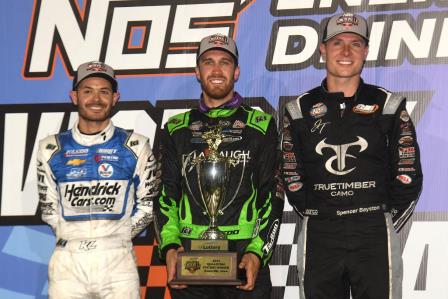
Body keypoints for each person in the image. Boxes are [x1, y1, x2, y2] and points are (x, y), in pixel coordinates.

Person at [281, 12, 423, 299]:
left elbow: (408, 174)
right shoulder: (298, 109)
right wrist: (319, 214)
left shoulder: (388, 105)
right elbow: (290, 174)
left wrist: (380, 221)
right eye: (337, 43)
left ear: (366, 51)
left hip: (373, 232)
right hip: (321, 232)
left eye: (355, 43)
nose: (346, 51)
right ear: (322, 49)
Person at [154, 33, 284, 299]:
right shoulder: (175, 128)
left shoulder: (260, 125)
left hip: (243, 255)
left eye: (224, 62)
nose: (216, 70)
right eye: (208, 62)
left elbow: (271, 194)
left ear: (235, 72)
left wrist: (256, 252)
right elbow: (166, 194)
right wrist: (170, 247)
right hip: (188, 258)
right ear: (197, 72)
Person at [37, 61, 160, 298]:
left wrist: (116, 236)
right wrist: (75, 236)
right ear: (74, 96)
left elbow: (147, 206)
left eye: (104, 91)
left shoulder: (135, 145)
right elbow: (49, 209)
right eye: (87, 91)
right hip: (68, 262)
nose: (96, 98)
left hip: (118, 260)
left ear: (115, 97)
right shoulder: (51, 148)